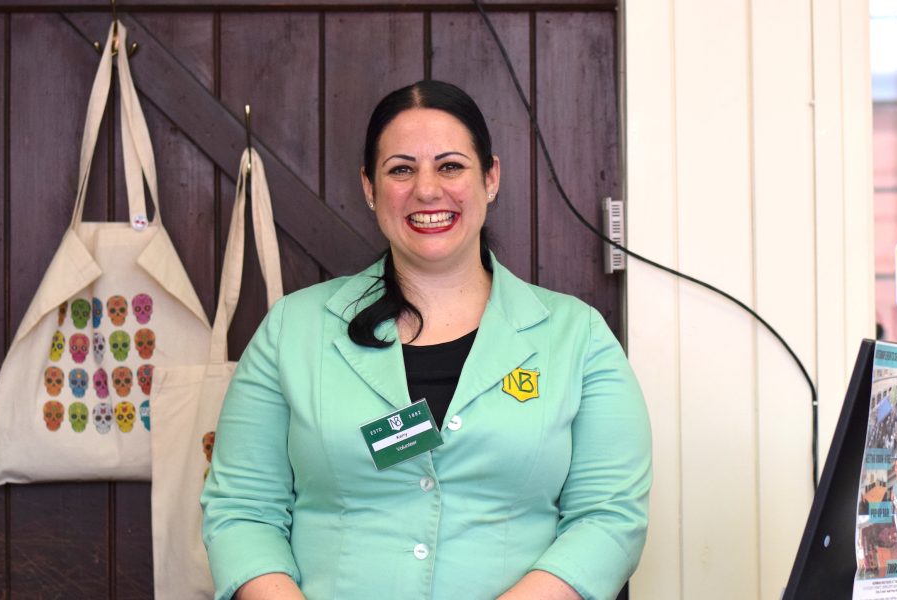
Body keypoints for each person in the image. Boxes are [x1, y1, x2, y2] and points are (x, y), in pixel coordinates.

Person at [200, 80, 652, 600]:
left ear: (491, 178)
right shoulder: (290, 331)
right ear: (370, 188)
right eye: (401, 169)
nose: (428, 190)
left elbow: (609, 516)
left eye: (451, 166)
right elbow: (242, 509)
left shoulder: (578, 337)